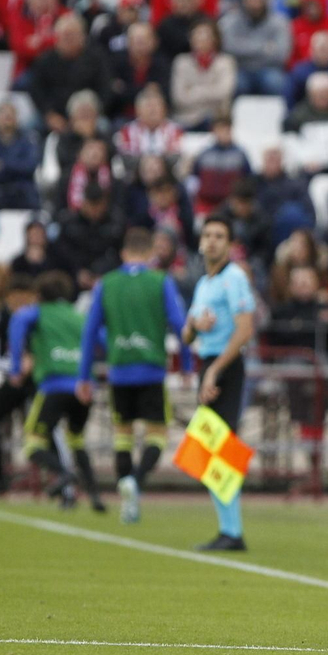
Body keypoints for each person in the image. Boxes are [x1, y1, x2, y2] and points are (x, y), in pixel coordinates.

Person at [77, 228, 195, 525]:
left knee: (123, 436)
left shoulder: (106, 284)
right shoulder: (161, 281)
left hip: (119, 372)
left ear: (123, 253)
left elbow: (89, 331)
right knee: (157, 434)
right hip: (151, 370)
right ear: (151, 253)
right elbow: (180, 324)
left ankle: (127, 495)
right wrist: (186, 366)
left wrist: (84, 376)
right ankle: (137, 482)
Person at [181, 215, 257, 552]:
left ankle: (232, 531)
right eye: (208, 235)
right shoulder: (203, 284)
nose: (212, 241)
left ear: (229, 244)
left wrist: (215, 371)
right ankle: (229, 529)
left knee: (219, 448)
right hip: (208, 363)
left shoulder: (234, 277)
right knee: (209, 448)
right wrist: (195, 326)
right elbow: (186, 334)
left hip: (226, 365)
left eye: (219, 236)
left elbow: (245, 329)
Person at [10, 271, 106, 512]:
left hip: (53, 385)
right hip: (83, 388)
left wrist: (16, 367)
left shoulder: (37, 312)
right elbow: (103, 339)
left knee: (33, 444)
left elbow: (18, 321)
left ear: (40, 294)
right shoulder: (79, 315)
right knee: (77, 439)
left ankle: (65, 473)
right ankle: (95, 495)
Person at [0, 275, 39, 502]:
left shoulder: (41, 317)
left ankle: (64, 480)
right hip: (14, 382)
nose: (21, 304)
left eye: (26, 299)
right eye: (16, 299)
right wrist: (16, 367)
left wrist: (34, 364)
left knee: (45, 427)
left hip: (39, 381)